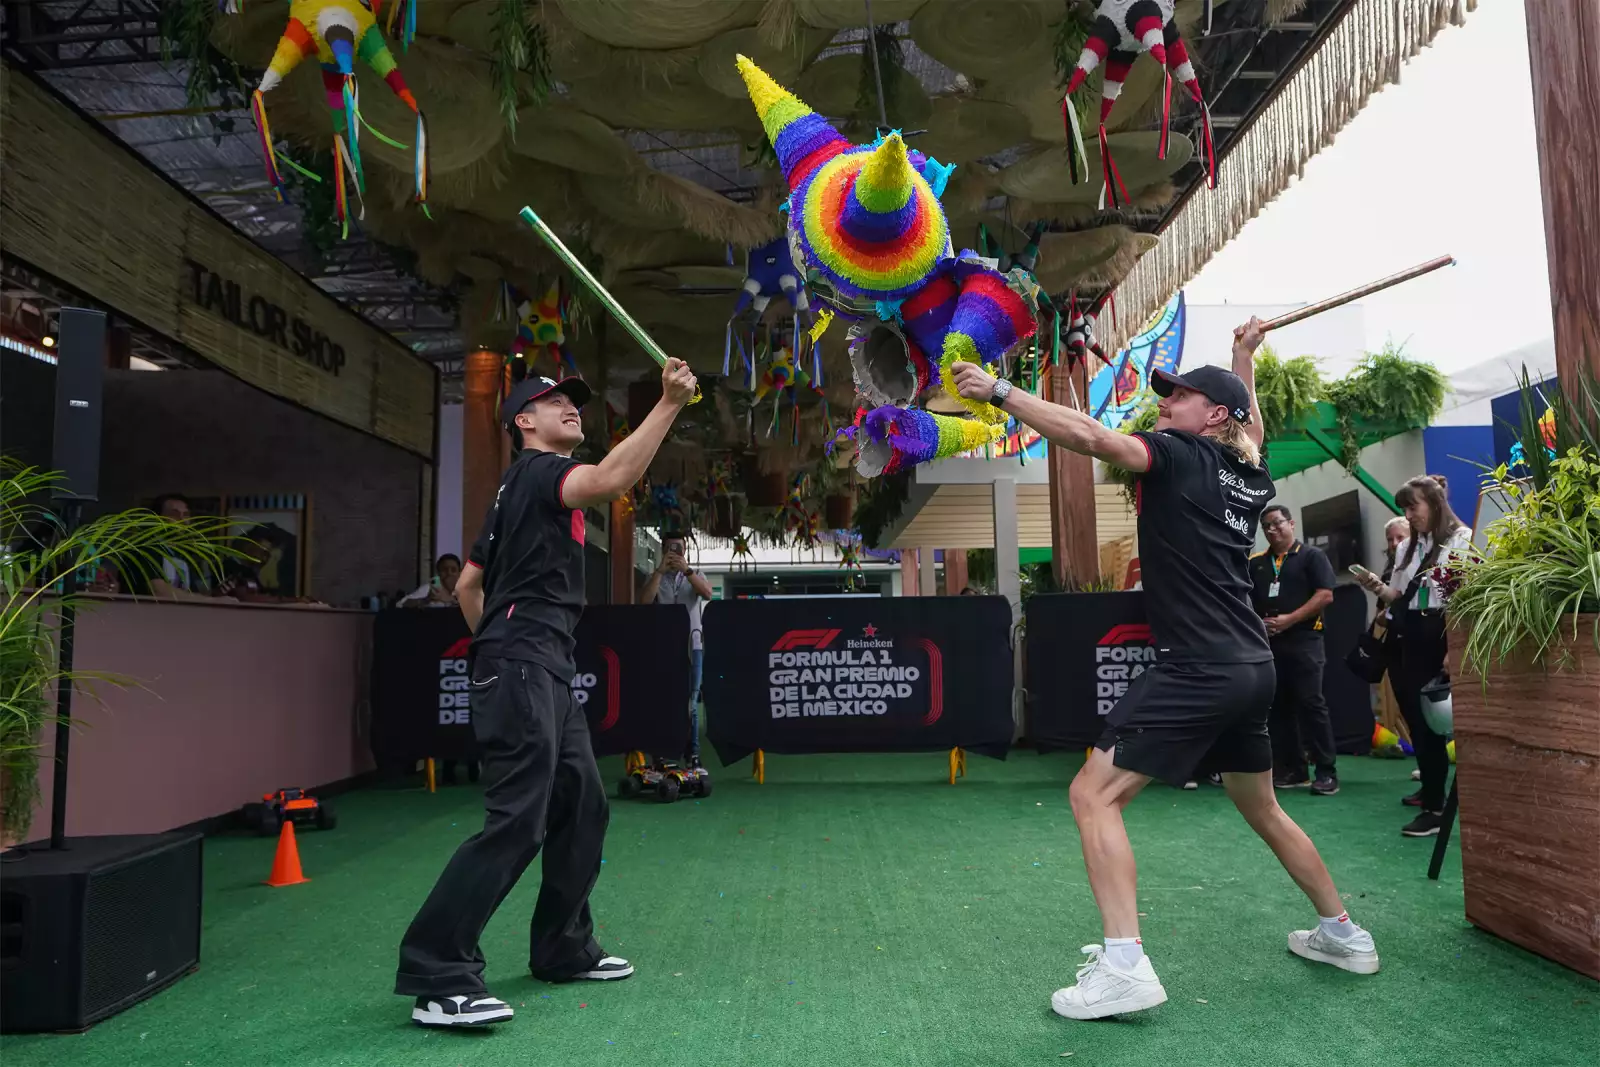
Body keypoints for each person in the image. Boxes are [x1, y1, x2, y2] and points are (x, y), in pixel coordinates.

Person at [951, 317, 1378, 1023]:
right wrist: (1242, 357)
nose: (1164, 402)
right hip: (1252, 666)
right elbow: (1252, 427)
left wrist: (1001, 392)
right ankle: (1343, 933)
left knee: (1093, 796)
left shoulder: (1179, 453)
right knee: (1263, 807)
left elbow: (1091, 437)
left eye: (1178, 395)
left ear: (1211, 416)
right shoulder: (1250, 474)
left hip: (1200, 665)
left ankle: (1124, 967)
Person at [395, 360, 698, 1029]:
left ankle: (562, 947)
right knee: (517, 821)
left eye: (573, 400)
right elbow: (612, 479)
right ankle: (437, 971)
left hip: (538, 667)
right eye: (553, 400)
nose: (571, 407)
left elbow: (467, 587)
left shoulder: (514, 490)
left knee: (584, 806)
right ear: (523, 422)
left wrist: (495, 649)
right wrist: (670, 403)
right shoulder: (539, 471)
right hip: (525, 666)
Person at [1354, 475, 1472, 836]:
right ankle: (1433, 799)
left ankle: (1436, 807)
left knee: (1434, 724)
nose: (1408, 515)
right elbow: (1399, 596)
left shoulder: (1461, 539)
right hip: (1407, 639)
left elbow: (1463, 598)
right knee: (1418, 723)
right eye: (1404, 508)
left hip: (1441, 635)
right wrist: (1376, 586)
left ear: (1435, 504)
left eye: (1412, 507)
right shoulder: (1409, 546)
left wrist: (1454, 648)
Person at [1250, 505, 1339, 795]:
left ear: (1291, 524)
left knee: (1311, 704)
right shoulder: (1257, 563)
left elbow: (1325, 595)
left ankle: (1326, 771)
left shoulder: (1312, 556)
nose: (1272, 530)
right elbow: (1247, 599)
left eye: (1277, 523)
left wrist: (1289, 619)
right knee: (1278, 708)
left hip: (1305, 641)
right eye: (1266, 526)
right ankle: (1293, 769)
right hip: (1270, 644)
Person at [639, 535, 713, 762]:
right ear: (663, 550)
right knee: (663, 699)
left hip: (693, 645)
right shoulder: (655, 576)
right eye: (670, 548)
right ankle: (661, 751)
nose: (674, 551)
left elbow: (707, 594)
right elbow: (644, 602)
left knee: (691, 701)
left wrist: (687, 571)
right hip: (664, 645)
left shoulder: (696, 573)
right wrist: (660, 571)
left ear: (685, 550)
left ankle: (693, 752)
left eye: (679, 547)